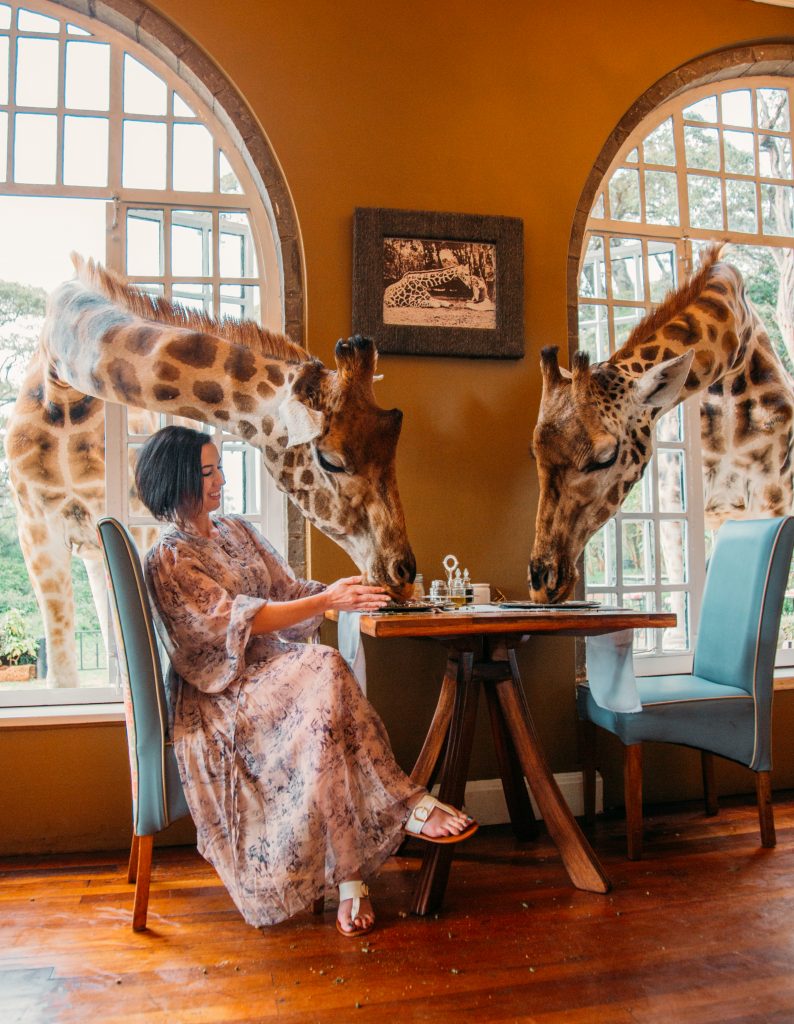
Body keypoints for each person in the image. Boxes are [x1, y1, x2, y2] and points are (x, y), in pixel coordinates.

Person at [135, 425, 477, 937]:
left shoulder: (236, 531)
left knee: (324, 695)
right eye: (207, 472)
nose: (220, 480)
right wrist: (325, 602)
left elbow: (288, 588)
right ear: (175, 479)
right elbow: (236, 620)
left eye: (219, 467)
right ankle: (405, 807)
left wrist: (358, 593)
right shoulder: (169, 558)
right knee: (323, 667)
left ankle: (351, 880)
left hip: (275, 671)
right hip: (223, 694)